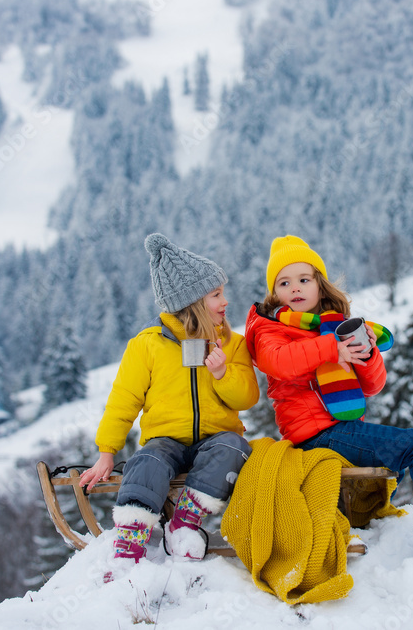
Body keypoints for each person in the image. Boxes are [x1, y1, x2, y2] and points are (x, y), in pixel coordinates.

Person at [243, 235, 413, 558]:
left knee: (412, 449)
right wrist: (331, 349)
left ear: (319, 285)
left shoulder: (333, 325)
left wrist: (366, 355)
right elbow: (279, 362)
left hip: (341, 431)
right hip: (318, 434)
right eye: (284, 282)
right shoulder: (270, 329)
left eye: (303, 279)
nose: (295, 288)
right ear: (274, 293)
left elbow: (374, 386)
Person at [79, 233, 259, 575]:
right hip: (166, 441)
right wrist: (106, 451)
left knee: (234, 446)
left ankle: (185, 522)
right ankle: (130, 539)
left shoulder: (232, 344)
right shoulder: (148, 345)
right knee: (146, 458)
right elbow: (123, 401)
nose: (226, 302)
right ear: (190, 302)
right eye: (216, 295)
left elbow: (249, 397)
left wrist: (222, 374)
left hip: (215, 439)